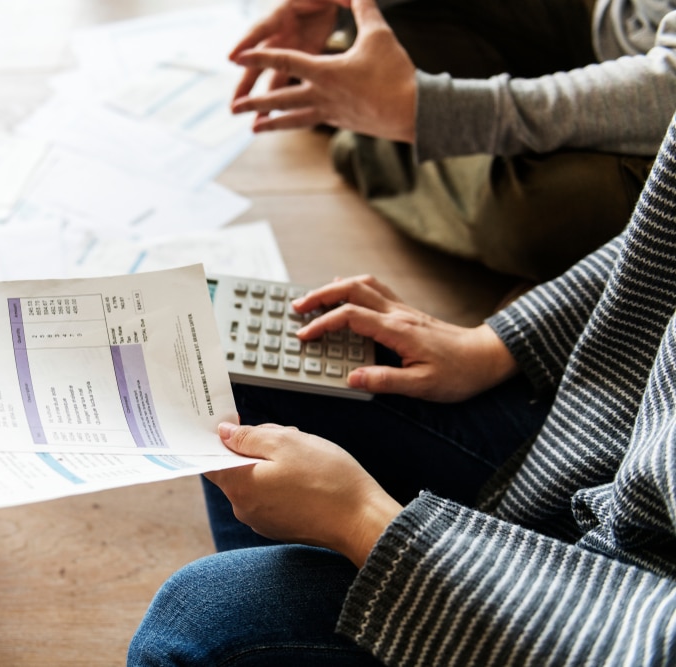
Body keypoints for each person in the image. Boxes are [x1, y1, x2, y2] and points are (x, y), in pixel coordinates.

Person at [126, 107, 676, 666]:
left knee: (198, 621)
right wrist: (492, 344)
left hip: (605, 603)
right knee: (250, 359)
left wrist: (363, 522)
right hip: (585, 438)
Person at [226, 0, 676, 282]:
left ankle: (371, 140)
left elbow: (667, 90)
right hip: (618, 21)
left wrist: (430, 114)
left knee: (537, 215)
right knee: (395, 14)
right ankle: (364, 102)